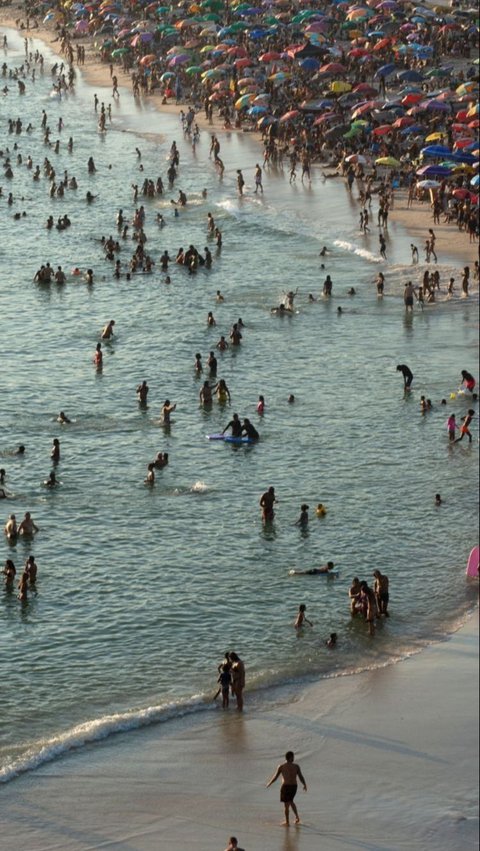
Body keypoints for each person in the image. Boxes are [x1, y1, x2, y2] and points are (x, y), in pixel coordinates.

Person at [266, 751, 307, 826]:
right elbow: (276, 776)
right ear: (290, 757)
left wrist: (304, 784)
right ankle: (297, 817)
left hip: (287, 786)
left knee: (287, 804)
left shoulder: (288, 766)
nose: (294, 758)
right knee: (290, 802)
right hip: (292, 786)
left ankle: (287, 822)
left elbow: (300, 776)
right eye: (293, 756)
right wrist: (270, 782)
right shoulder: (289, 766)